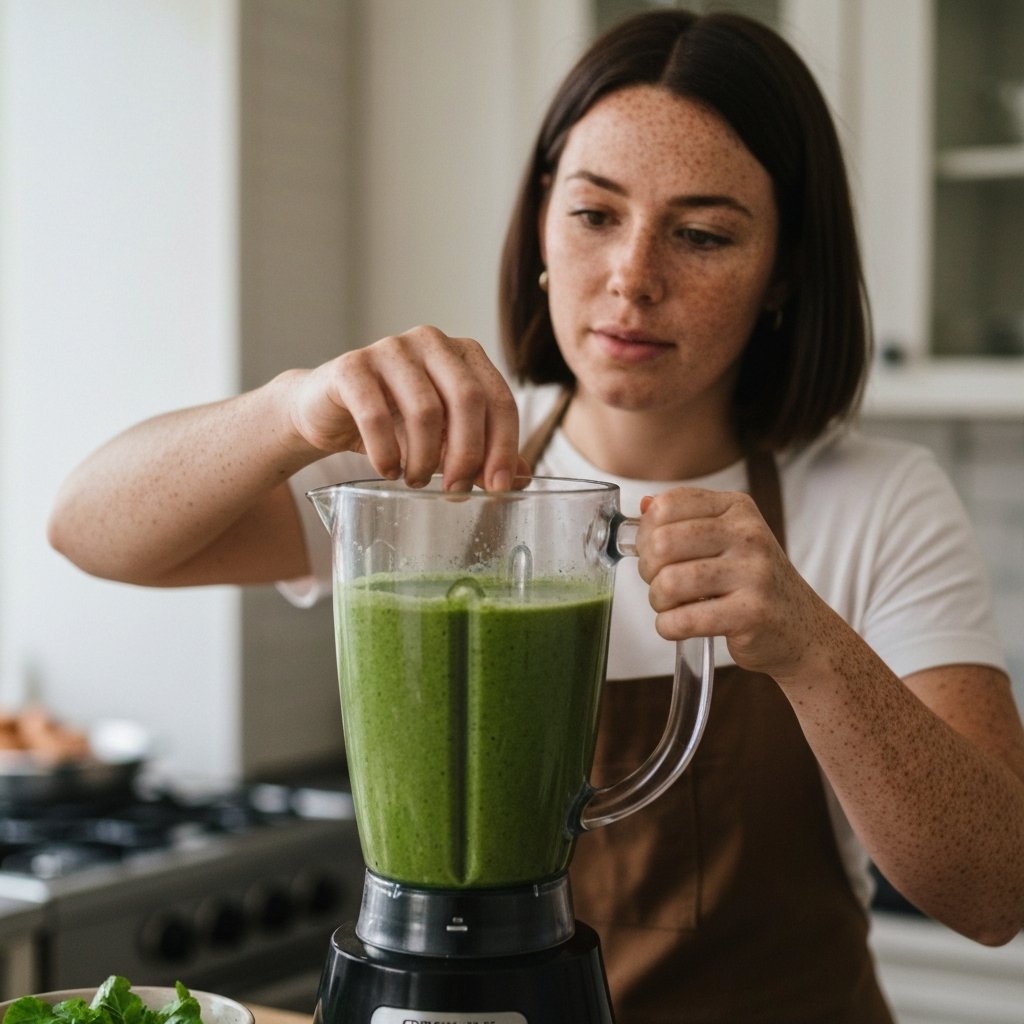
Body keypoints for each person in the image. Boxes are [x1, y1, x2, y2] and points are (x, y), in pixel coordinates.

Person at [48, 9, 1024, 1022]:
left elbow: (993, 892)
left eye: (700, 234)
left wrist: (811, 644)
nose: (632, 278)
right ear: (542, 225)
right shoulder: (441, 463)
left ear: (782, 272)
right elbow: (86, 527)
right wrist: (287, 409)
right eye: (595, 215)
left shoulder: (877, 500)